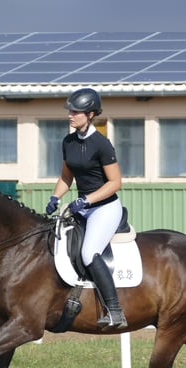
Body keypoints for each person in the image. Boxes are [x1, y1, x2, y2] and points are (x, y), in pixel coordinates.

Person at [45, 87, 127, 330]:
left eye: (76, 112)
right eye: (70, 111)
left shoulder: (101, 144)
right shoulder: (68, 141)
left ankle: (115, 311)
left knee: (89, 252)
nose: (70, 115)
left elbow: (115, 183)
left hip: (104, 208)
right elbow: (66, 178)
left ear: (90, 114)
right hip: (81, 207)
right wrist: (55, 197)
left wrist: (87, 200)